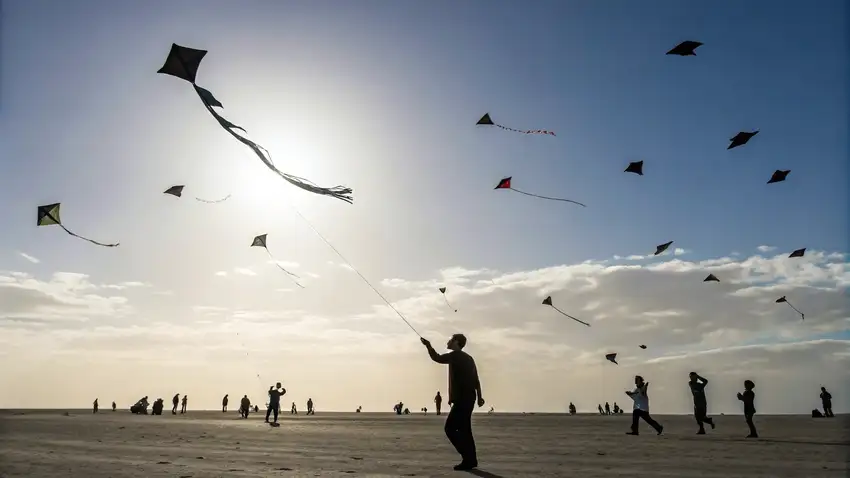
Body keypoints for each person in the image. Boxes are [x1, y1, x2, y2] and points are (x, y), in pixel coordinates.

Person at [421, 334, 485, 471]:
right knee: (465, 430)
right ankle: (471, 459)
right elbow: (476, 379)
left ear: (456, 342)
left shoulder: (455, 356)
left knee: (450, 429)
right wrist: (480, 397)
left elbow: (437, 358)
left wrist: (428, 346)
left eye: (450, 339)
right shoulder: (469, 358)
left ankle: (467, 458)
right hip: (469, 398)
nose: (448, 341)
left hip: (462, 399)